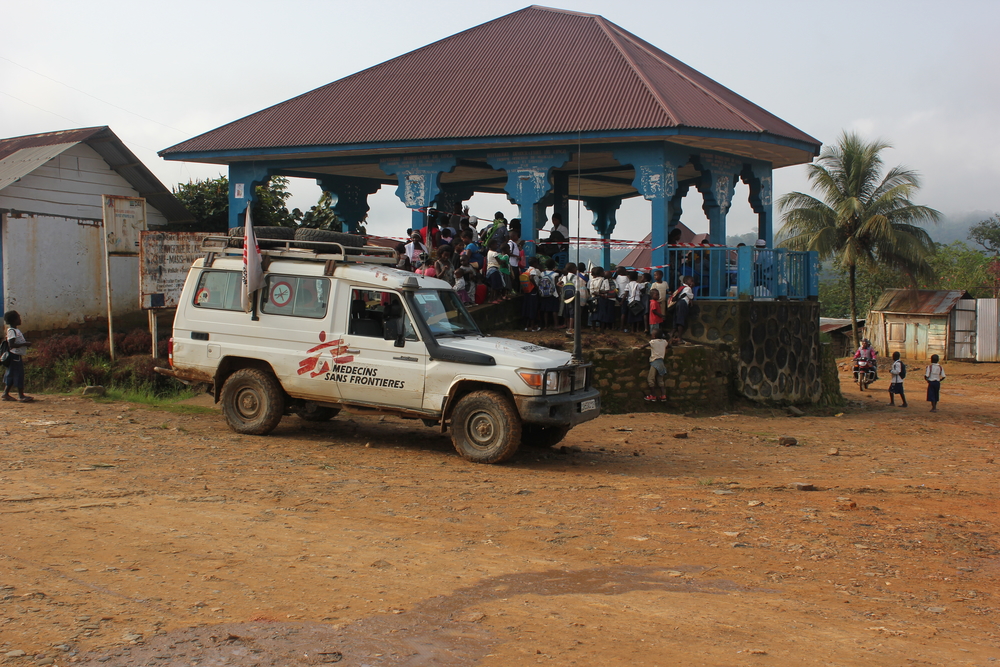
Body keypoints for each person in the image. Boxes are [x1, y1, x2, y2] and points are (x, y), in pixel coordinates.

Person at [3, 310, 33, 402]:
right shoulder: (12, 331)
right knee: (19, 374)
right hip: (14, 356)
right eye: (18, 318)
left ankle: (5, 394)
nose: (20, 319)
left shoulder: (15, 330)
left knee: (11, 374)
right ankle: (21, 395)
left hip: (15, 356)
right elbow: (11, 345)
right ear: (13, 320)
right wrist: (25, 344)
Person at [667, 275, 695, 344]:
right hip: (682, 304)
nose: (693, 283)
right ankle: (679, 338)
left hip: (677, 304)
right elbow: (691, 296)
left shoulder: (681, 288)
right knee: (681, 320)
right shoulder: (688, 288)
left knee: (676, 318)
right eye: (691, 281)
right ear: (686, 281)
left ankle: (671, 334)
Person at [644, 329, 670, 402]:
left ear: (654, 336)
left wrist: (640, 346)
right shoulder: (664, 342)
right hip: (661, 362)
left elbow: (644, 346)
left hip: (654, 362)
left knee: (650, 379)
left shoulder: (653, 342)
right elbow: (669, 346)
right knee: (660, 380)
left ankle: (653, 395)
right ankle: (663, 395)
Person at [538, 259, 560, 329]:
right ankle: (556, 325)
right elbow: (557, 285)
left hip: (544, 294)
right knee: (554, 310)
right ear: (553, 266)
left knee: (546, 311)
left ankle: (546, 325)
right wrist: (559, 294)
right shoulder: (555, 274)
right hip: (553, 293)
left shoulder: (542, 273)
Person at [521, 256, 541, 331]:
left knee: (527, 308)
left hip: (527, 291)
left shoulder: (527, 270)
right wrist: (536, 286)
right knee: (533, 308)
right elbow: (532, 278)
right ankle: (532, 326)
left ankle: (526, 326)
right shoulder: (533, 270)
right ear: (535, 263)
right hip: (532, 291)